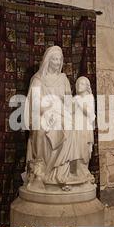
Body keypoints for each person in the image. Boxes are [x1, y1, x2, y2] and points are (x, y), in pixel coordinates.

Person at [23, 46, 74, 185]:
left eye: (59, 59)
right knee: (40, 129)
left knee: (69, 128)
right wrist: (48, 111)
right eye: (54, 59)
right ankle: (40, 170)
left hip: (60, 114)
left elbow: (69, 103)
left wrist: (60, 111)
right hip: (42, 113)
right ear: (48, 60)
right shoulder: (38, 79)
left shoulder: (64, 79)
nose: (57, 62)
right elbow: (35, 102)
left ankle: (59, 172)